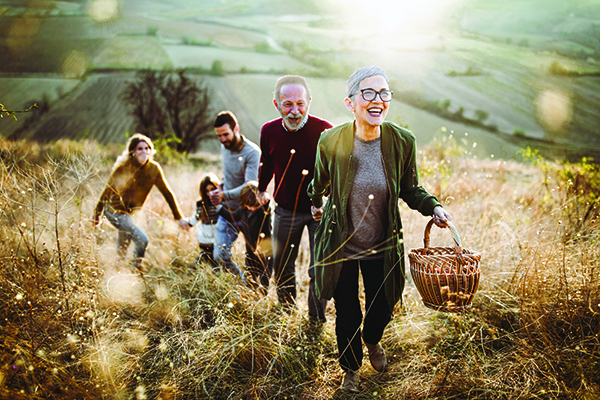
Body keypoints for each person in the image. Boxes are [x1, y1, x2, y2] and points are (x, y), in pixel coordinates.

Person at [307, 66, 452, 393]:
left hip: (382, 244)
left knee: (382, 305)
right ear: (350, 102)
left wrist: (434, 207)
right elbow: (318, 182)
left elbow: (410, 189)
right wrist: (315, 201)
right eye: (368, 93)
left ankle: (372, 340)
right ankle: (351, 370)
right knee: (347, 314)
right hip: (341, 244)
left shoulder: (402, 142)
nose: (377, 100)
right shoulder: (331, 140)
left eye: (384, 93)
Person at [258, 75, 333, 323]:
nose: (294, 110)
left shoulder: (325, 131)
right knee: (282, 266)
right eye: (287, 104)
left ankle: (315, 321)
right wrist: (261, 189)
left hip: (318, 212)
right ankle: (287, 312)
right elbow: (267, 163)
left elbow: (336, 171)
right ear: (276, 104)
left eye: (300, 103)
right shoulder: (268, 131)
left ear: (309, 101)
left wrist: (327, 203)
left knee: (319, 268)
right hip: (285, 210)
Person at [93, 133, 189, 271]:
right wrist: (96, 214)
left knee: (124, 243)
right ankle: (136, 268)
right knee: (142, 239)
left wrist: (178, 217)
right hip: (115, 212)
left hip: (131, 214)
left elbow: (167, 193)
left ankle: (118, 271)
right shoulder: (123, 169)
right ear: (132, 152)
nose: (144, 152)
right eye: (140, 149)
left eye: (147, 148)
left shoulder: (154, 169)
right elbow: (106, 192)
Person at [210, 110, 261, 283]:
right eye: (219, 136)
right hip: (228, 212)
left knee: (255, 260)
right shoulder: (224, 147)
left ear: (236, 129)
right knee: (219, 255)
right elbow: (229, 175)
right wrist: (220, 187)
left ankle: (254, 292)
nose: (223, 140)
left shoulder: (252, 152)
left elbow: (250, 186)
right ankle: (241, 282)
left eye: (226, 134)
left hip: (247, 213)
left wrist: (223, 195)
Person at [218, 181, 273, 291]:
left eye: (256, 206)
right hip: (250, 252)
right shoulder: (243, 211)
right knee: (250, 276)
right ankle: (251, 296)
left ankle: (261, 299)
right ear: (243, 203)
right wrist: (218, 208)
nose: (252, 209)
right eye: (249, 206)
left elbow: (267, 207)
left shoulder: (263, 213)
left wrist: (265, 200)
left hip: (265, 253)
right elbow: (231, 216)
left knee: (263, 279)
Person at [186, 173, 220, 268]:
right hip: (205, 237)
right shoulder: (201, 204)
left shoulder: (220, 203)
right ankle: (193, 270)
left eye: (213, 189)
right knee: (205, 256)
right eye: (207, 191)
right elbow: (196, 216)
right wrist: (189, 224)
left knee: (216, 260)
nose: (210, 193)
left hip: (217, 238)